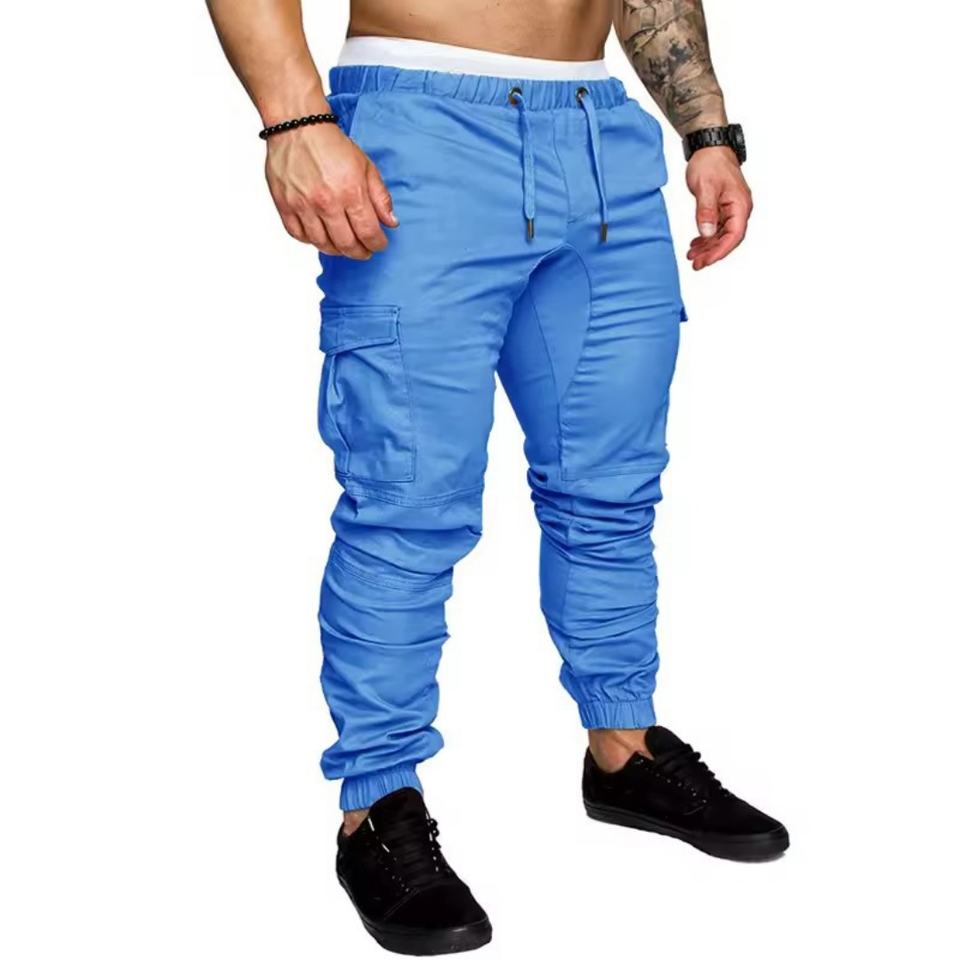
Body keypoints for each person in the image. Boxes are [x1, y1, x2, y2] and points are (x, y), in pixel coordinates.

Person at [207, 0, 787, 953]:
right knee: (407, 506)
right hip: (422, 124)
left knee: (610, 492)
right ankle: (376, 806)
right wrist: (294, 118)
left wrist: (707, 130)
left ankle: (624, 749)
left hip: (601, 136)